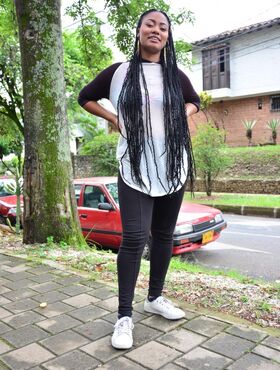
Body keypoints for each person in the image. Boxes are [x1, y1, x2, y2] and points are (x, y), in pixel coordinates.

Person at [78, 9, 200, 350]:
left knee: (163, 235)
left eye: (163, 27)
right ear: (138, 31)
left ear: (167, 37)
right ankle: (123, 316)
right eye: (150, 24)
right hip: (134, 165)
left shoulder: (175, 74)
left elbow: (195, 101)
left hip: (172, 165)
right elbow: (84, 97)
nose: (156, 31)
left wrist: (183, 113)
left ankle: (155, 297)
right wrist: (113, 117)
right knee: (133, 237)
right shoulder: (119, 73)